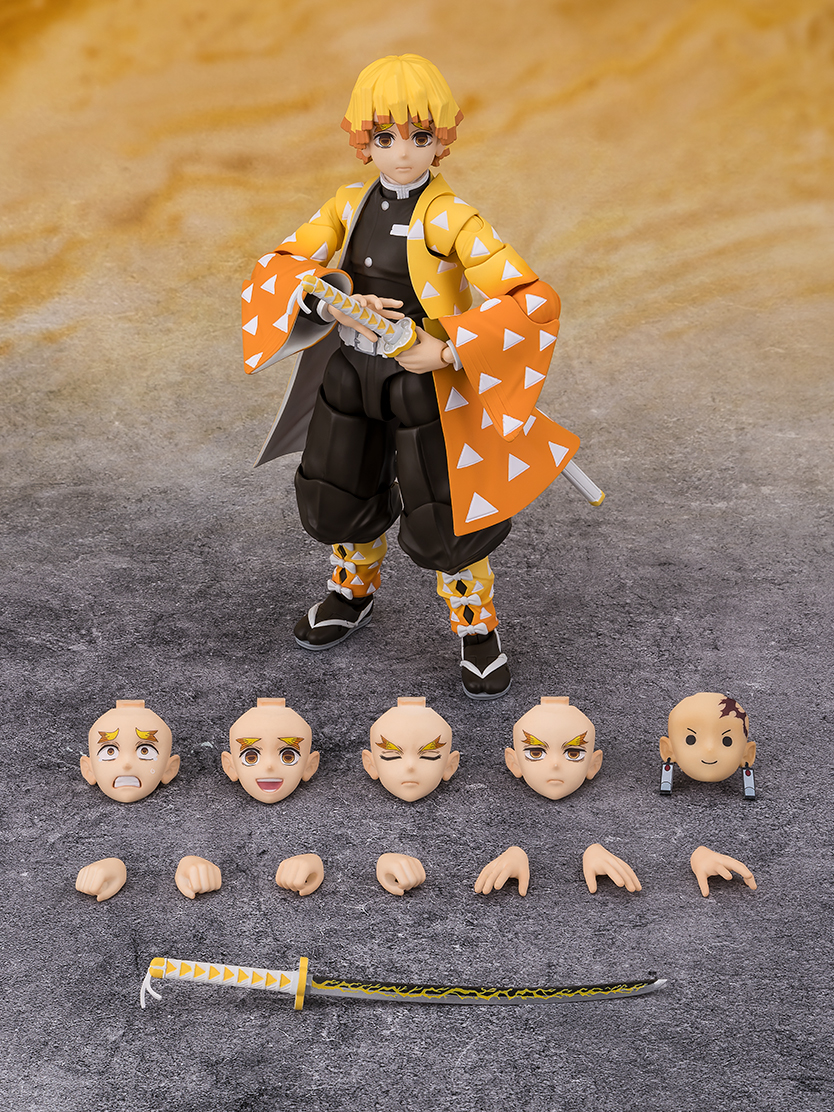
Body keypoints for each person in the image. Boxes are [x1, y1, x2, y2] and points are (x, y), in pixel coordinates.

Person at [241, 54, 581, 698]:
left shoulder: (453, 219)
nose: (402, 153)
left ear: (441, 139)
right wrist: (332, 298)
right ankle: (352, 589)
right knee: (340, 490)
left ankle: (476, 626)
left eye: (419, 136)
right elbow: (279, 266)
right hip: (352, 371)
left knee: (447, 511)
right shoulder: (346, 205)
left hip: (423, 384)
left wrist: (448, 348)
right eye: (384, 137)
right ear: (363, 142)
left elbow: (533, 300)